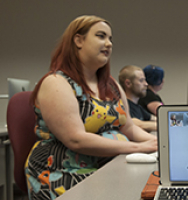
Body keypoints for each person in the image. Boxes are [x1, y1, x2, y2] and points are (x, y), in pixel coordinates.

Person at [26, 15, 157, 199]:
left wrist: (158, 145)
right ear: (78, 40)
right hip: (63, 171)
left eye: (110, 39)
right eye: (101, 36)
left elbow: (129, 128)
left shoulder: (111, 85)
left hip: (108, 166)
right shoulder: (56, 83)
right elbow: (76, 140)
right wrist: (138, 148)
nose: (109, 43)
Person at [118, 65, 157, 132]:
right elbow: (133, 123)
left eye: (145, 80)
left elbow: (154, 119)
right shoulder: (122, 106)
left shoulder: (138, 107)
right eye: (141, 80)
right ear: (128, 83)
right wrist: (165, 125)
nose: (146, 84)